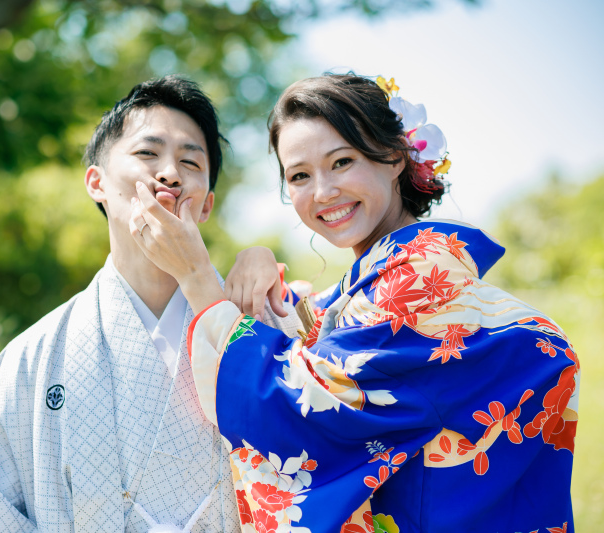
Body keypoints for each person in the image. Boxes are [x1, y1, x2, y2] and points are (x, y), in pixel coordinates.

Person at [129, 74, 579, 532]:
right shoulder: (383, 282)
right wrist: (257, 260)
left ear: (394, 157)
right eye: (300, 176)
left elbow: (302, 411)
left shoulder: (420, 283)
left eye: (342, 162)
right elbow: (315, 336)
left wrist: (197, 276)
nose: (323, 192)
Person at [0, 75, 299, 533]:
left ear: (206, 205)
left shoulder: (266, 321)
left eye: (190, 161)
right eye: (147, 153)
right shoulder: (27, 361)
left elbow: (318, 462)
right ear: (96, 182)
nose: (170, 174)